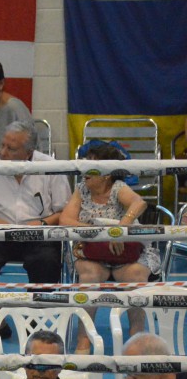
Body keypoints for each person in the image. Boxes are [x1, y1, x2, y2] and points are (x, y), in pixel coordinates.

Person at [0, 120, 71, 344]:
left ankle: (36, 325)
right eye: (2, 145)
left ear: (29, 152)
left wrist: (41, 225)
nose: (2, 153)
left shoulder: (51, 166)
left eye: (11, 149)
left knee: (47, 261)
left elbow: (64, 211)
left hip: (39, 231)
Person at [59, 142, 157, 353]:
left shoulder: (118, 188)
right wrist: (99, 232)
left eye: (91, 167)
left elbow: (139, 203)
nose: (85, 171)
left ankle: (136, 338)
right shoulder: (81, 189)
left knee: (136, 276)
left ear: (106, 174)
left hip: (128, 253)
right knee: (89, 275)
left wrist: (119, 231)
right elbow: (66, 219)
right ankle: (83, 339)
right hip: (92, 251)